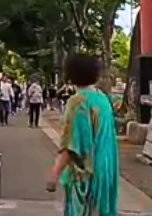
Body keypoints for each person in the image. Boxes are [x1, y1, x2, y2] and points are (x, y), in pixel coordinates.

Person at [46, 54, 118, 216]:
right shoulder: (102, 99)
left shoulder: (77, 103)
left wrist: (54, 175)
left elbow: (71, 145)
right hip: (106, 170)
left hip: (85, 174)